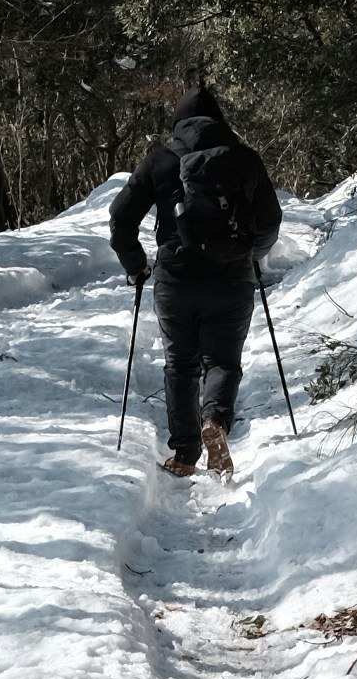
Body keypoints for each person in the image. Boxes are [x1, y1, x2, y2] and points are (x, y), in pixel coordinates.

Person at [110, 82, 281, 477]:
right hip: (231, 280)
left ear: (178, 122)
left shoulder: (162, 160)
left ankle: (185, 456)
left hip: (176, 280)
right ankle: (215, 422)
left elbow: (121, 219)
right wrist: (249, 254)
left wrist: (136, 267)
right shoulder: (244, 159)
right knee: (222, 361)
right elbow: (270, 221)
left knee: (180, 365)